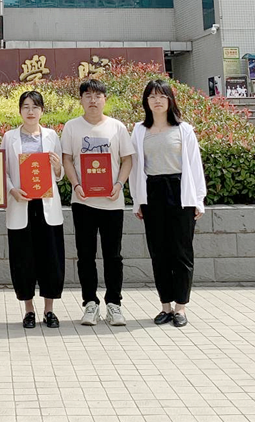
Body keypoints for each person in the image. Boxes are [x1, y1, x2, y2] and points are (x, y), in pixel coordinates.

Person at [129, 79, 206, 328]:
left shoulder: (184, 130)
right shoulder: (139, 130)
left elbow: (195, 165)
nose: (157, 101)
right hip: (152, 193)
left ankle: (181, 307)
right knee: (158, 252)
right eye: (152, 96)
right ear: (146, 102)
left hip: (180, 192)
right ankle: (165, 306)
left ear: (170, 100)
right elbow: (135, 168)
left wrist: (198, 200)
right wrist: (138, 201)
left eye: (162, 96)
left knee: (182, 252)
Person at [61, 79, 135, 327]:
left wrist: (119, 184)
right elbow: (67, 159)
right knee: (85, 256)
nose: (93, 100)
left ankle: (114, 304)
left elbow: (127, 160)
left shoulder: (117, 127)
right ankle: (90, 304)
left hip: (112, 202)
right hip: (83, 201)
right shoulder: (72, 127)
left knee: (113, 256)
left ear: (105, 99)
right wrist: (76, 185)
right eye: (88, 95)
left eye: (97, 96)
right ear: (81, 100)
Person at [0, 91, 65, 329]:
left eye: (35, 107)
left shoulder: (51, 135)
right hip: (21, 203)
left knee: (51, 257)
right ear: (19, 110)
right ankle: (28, 310)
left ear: (42, 111)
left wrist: (57, 168)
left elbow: (59, 175)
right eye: (26, 107)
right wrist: (12, 190)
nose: (30, 111)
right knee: (23, 259)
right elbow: (3, 170)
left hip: (47, 206)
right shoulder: (9, 137)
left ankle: (49, 310)